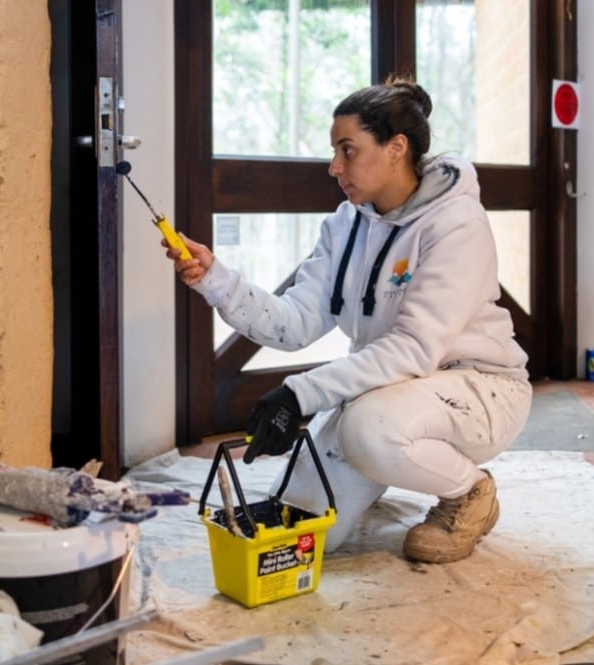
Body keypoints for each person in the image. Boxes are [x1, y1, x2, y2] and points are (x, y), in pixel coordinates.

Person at [165, 75, 532, 564]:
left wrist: (300, 393)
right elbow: (295, 323)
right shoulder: (345, 224)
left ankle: (468, 492)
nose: (334, 166)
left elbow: (414, 349)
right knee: (303, 533)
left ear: (396, 148)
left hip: (477, 389)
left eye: (348, 150)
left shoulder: (456, 224)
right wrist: (215, 279)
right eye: (334, 151)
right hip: (386, 391)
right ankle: (388, 460)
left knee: (367, 432)